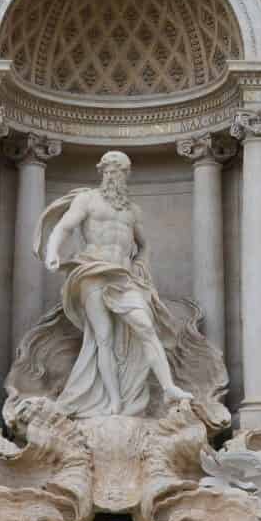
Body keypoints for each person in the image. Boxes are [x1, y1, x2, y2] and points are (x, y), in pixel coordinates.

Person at [37, 151, 194, 417]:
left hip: (123, 276)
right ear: (102, 172)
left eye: (120, 170)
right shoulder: (87, 200)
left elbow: (143, 245)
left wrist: (141, 266)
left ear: (126, 175)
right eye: (110, 170)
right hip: (92, 272)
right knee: (103, 339)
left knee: (146, 326)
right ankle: (113, 402)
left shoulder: (133, 211)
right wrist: (52, 251)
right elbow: (63, 228)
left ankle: (169, 387)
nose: (114, 175)